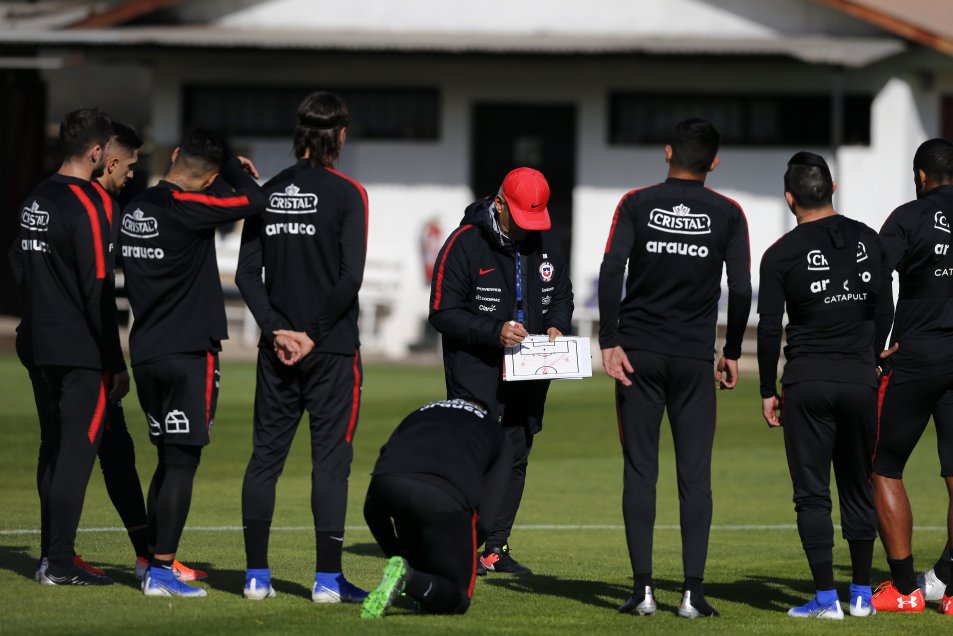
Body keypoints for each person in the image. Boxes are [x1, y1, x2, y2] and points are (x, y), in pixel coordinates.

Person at [598, 118, 751, 618]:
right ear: (715, 162)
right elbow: (741, 289)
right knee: (695, 477)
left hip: (637, 355)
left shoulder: (636, 203)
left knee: (641, 471)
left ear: (667, 152)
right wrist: (731, 350)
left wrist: (609, 340)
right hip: (692, 358)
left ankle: (643, 592)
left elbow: (611, 269)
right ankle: (692, 594)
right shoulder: (729, 213)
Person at [236, 91, 369, 603]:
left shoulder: (267, 192)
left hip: (277, 351)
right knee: (330, 464)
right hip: (330, 350)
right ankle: (328, 581)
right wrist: (310, 334)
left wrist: (276, 331)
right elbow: (349, 278)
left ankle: (256, 577)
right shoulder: (349, 194)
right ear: (340, 135)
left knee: (264, 461)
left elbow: (246, 275)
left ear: (300, 136)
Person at [120, 128, 265, 597]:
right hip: (188, 353)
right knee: (182, 462)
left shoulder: (136, 206)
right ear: (209, 176)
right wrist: (234, 169)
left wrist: (218, 171)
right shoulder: (192, 206)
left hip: (145, 351)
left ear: (176, 154)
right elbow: (254, 201)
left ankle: (150, 560)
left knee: (167, 458)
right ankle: (161, 572)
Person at [428, 166, 573, 575]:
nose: (528, 229)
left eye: (535, 220)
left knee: (515, 456)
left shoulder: (548, 241)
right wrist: (495, 332)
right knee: (474, 458)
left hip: (530, 371)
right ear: (499, 204)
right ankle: (458, 546)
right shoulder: (464, 242)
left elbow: (562, 295)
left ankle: (494, 549)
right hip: (475, 370)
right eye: (521, 219)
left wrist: (557, 324)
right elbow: (441, 312)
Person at [758, 152, 881, 619]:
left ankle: (827, 600)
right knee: (858, 485)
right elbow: (885, 307)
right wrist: (872, 360)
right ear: (833, 189)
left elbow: (769, 329)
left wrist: (766, 390)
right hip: (858, 379)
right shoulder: (868, 239)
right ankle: (863, 596)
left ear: (789, 199)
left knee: (812, 493)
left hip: (806, 382)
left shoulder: (780, 254)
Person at [9, 107, 128, 585]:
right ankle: (58, 565)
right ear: (97, 152)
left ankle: (52, 556)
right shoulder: (92, 203)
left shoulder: (37, 196)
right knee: (75, 458)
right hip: (79, 349)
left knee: (54, 449)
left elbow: (17, 262)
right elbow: (99, 287)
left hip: (37, 340)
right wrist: (115, 362)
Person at [871, 138, 953, 615]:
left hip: (916, 356)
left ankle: (904, 589)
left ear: (921, 176)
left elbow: (875, 277)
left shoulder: (908, 216)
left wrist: (875, 342)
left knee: (883, 466)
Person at [360, 398, 512, 618]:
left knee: (420, 562)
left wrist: (395, 554)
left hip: (388, 487)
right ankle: (408, 578)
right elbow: (487, 521)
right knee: (458, 598)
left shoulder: (418, 413)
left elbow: (371, 508)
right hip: (443, 497)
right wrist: (463, 548)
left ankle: (408, 574)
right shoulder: (496, 431)